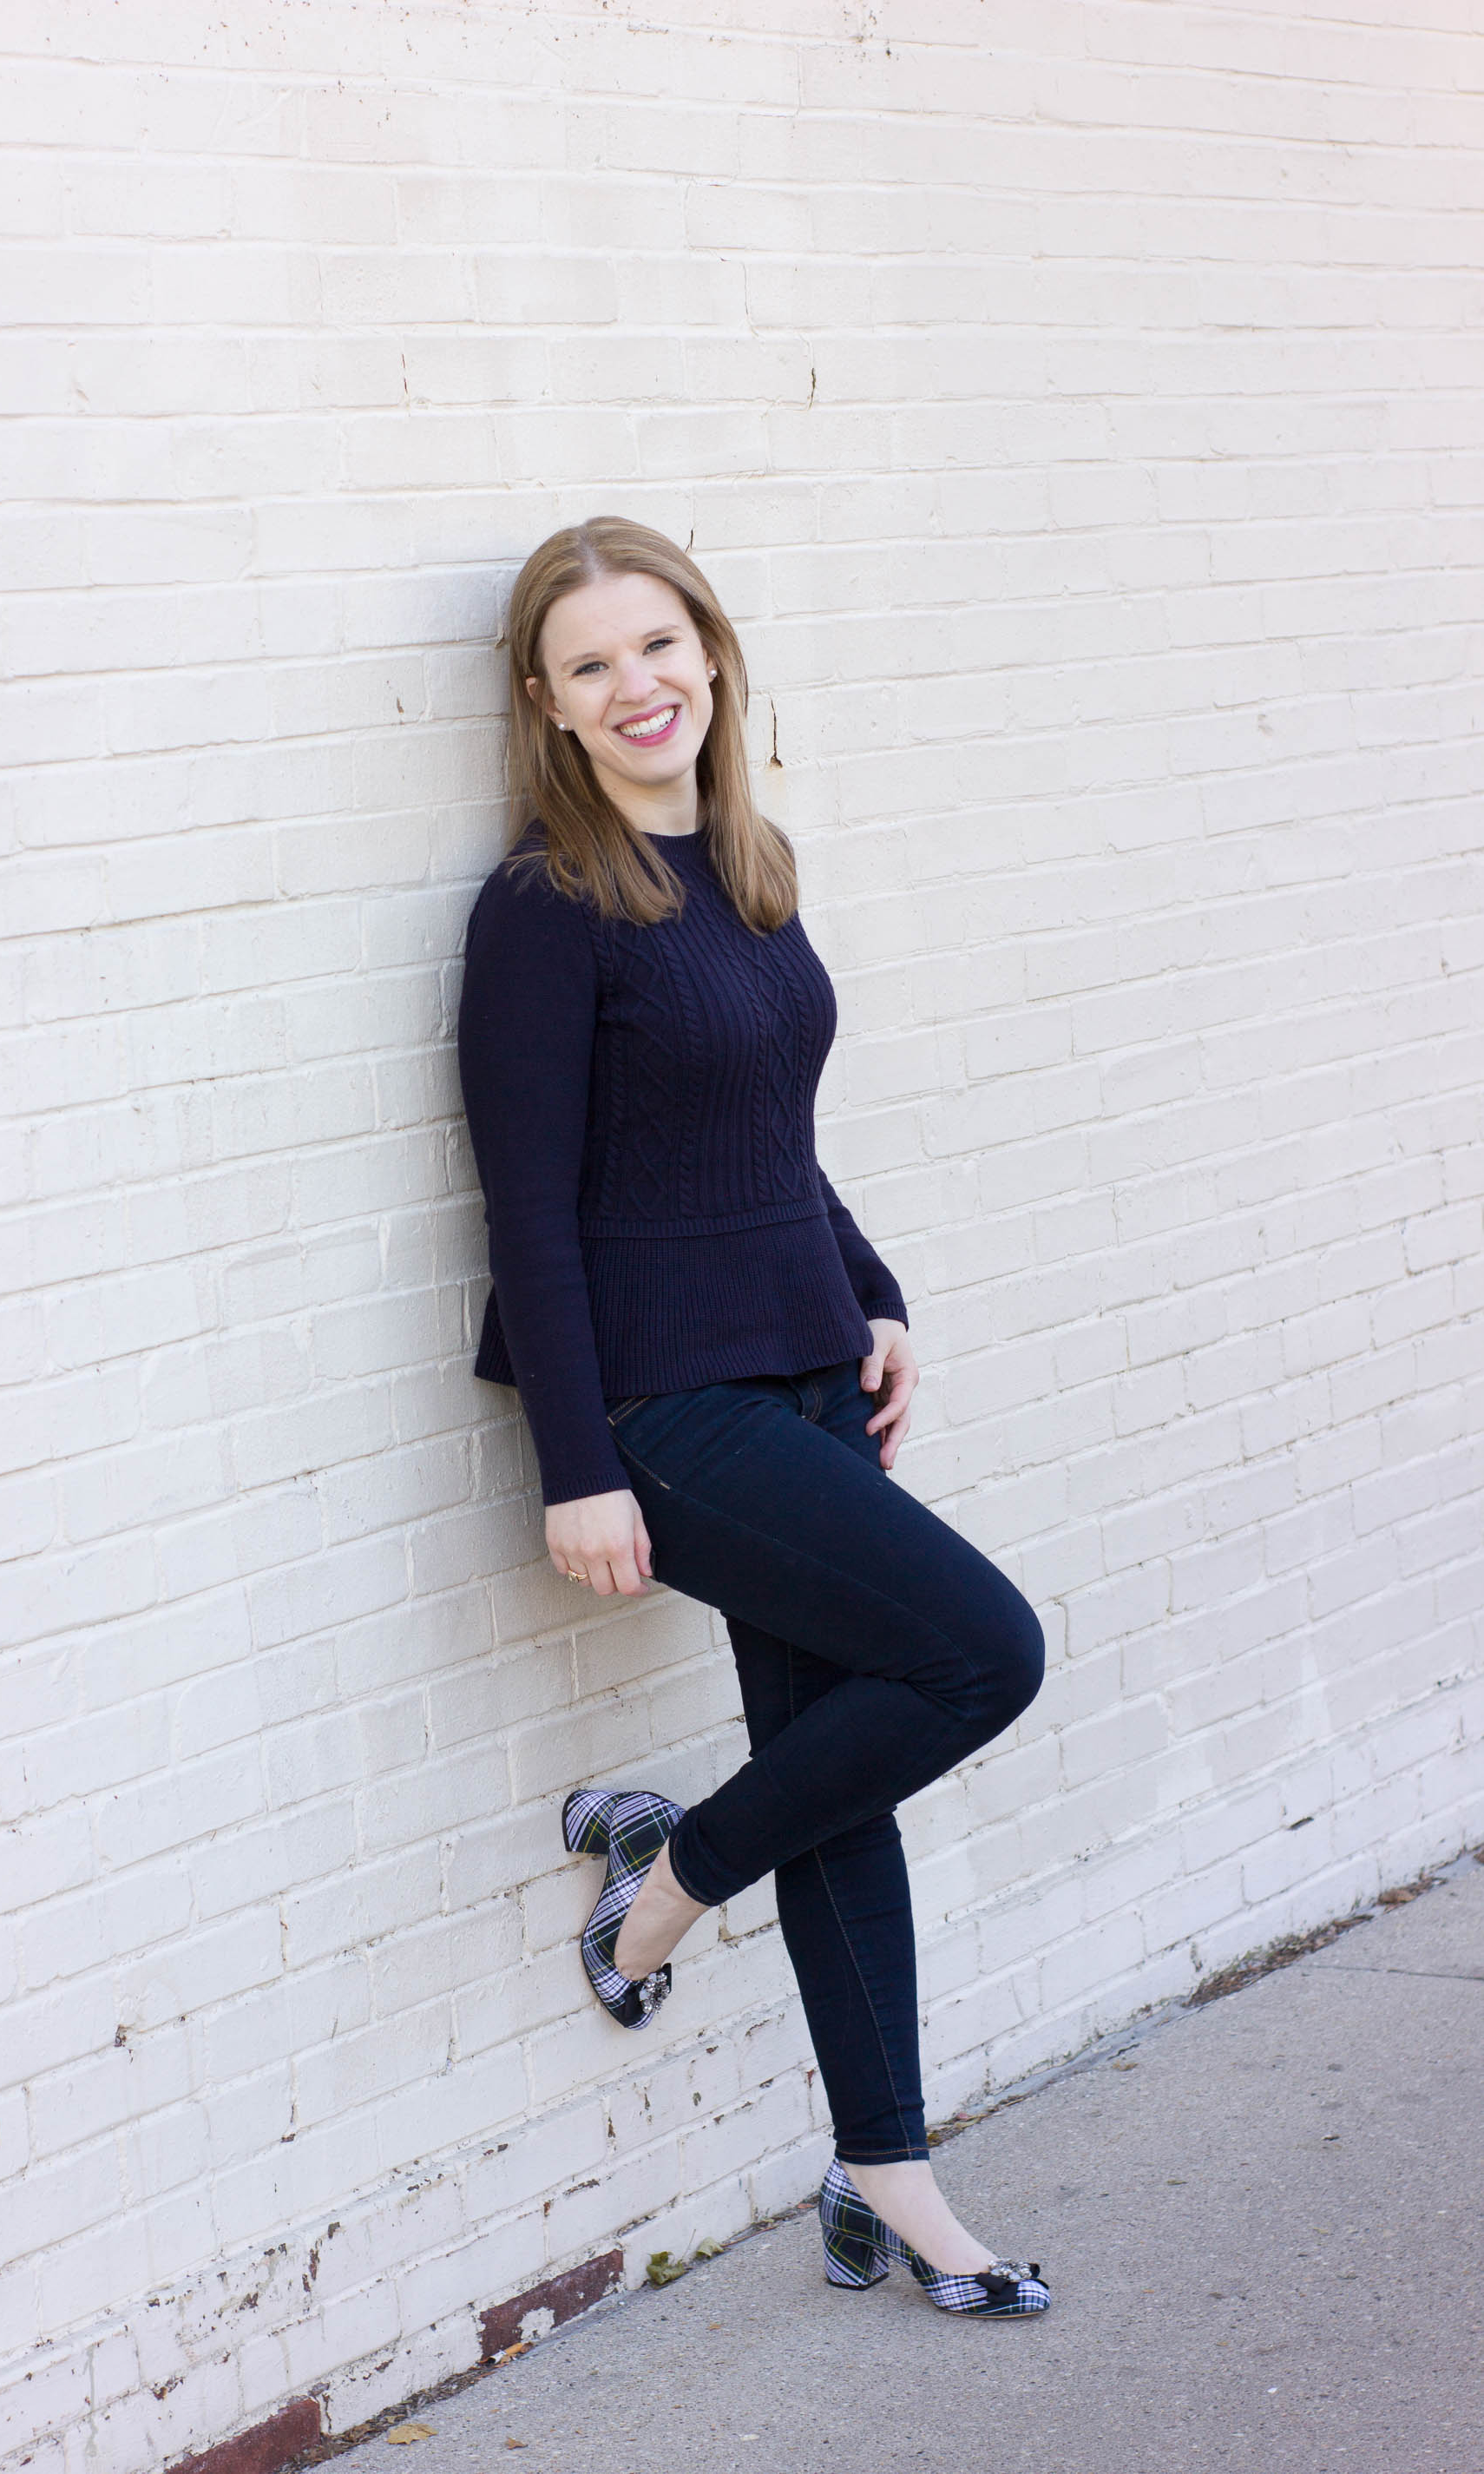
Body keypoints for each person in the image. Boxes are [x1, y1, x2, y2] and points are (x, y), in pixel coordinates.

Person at [456, 517, 1050, 2319]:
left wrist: (866, 1291)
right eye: (590, 666)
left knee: (849, 1772)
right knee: (978, 1654)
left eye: (661, 645)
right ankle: (670, 1880)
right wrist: (576, 1465)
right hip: (666, 1403)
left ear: (709, 654)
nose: (638, 686)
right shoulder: (542, 911)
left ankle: (883, 2169)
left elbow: (770, 1131)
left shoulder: (737, 862)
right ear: (547, 712)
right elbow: (528, 1206)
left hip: (797, 1360)